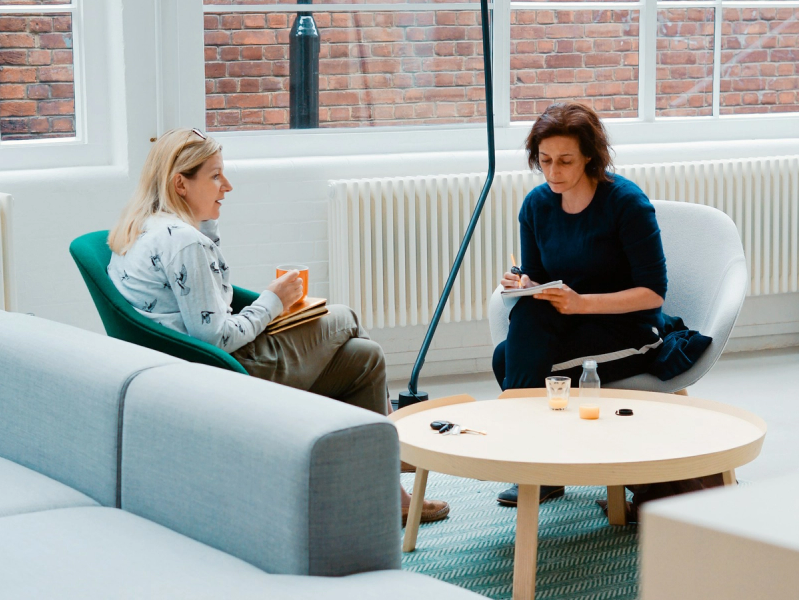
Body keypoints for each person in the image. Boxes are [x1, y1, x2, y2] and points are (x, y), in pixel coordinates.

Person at [107, 128, 449, 525]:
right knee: (346, 316)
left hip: (192, 368)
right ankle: (395, 450)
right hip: (228, 372)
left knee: (365, 358)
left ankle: (386, 492)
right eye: (216, 176)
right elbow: (214, 336)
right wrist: (273, 300)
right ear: (180, 183)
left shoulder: (150, 228)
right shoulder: (186, 243)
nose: (227, 186)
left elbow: (206, 306)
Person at [492, 103, 720, 513]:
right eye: (544, 161)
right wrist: (523, 284)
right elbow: (540, 278)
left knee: (514, 361)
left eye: (565, 161)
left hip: (630, 329)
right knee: (507, 351)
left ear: (590, 157)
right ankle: (543, 460)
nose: (553, 172)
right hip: (572, 325)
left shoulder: (625, 203)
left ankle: (534, 460)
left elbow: (653, 293)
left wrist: (581, 304)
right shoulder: (537, 206)